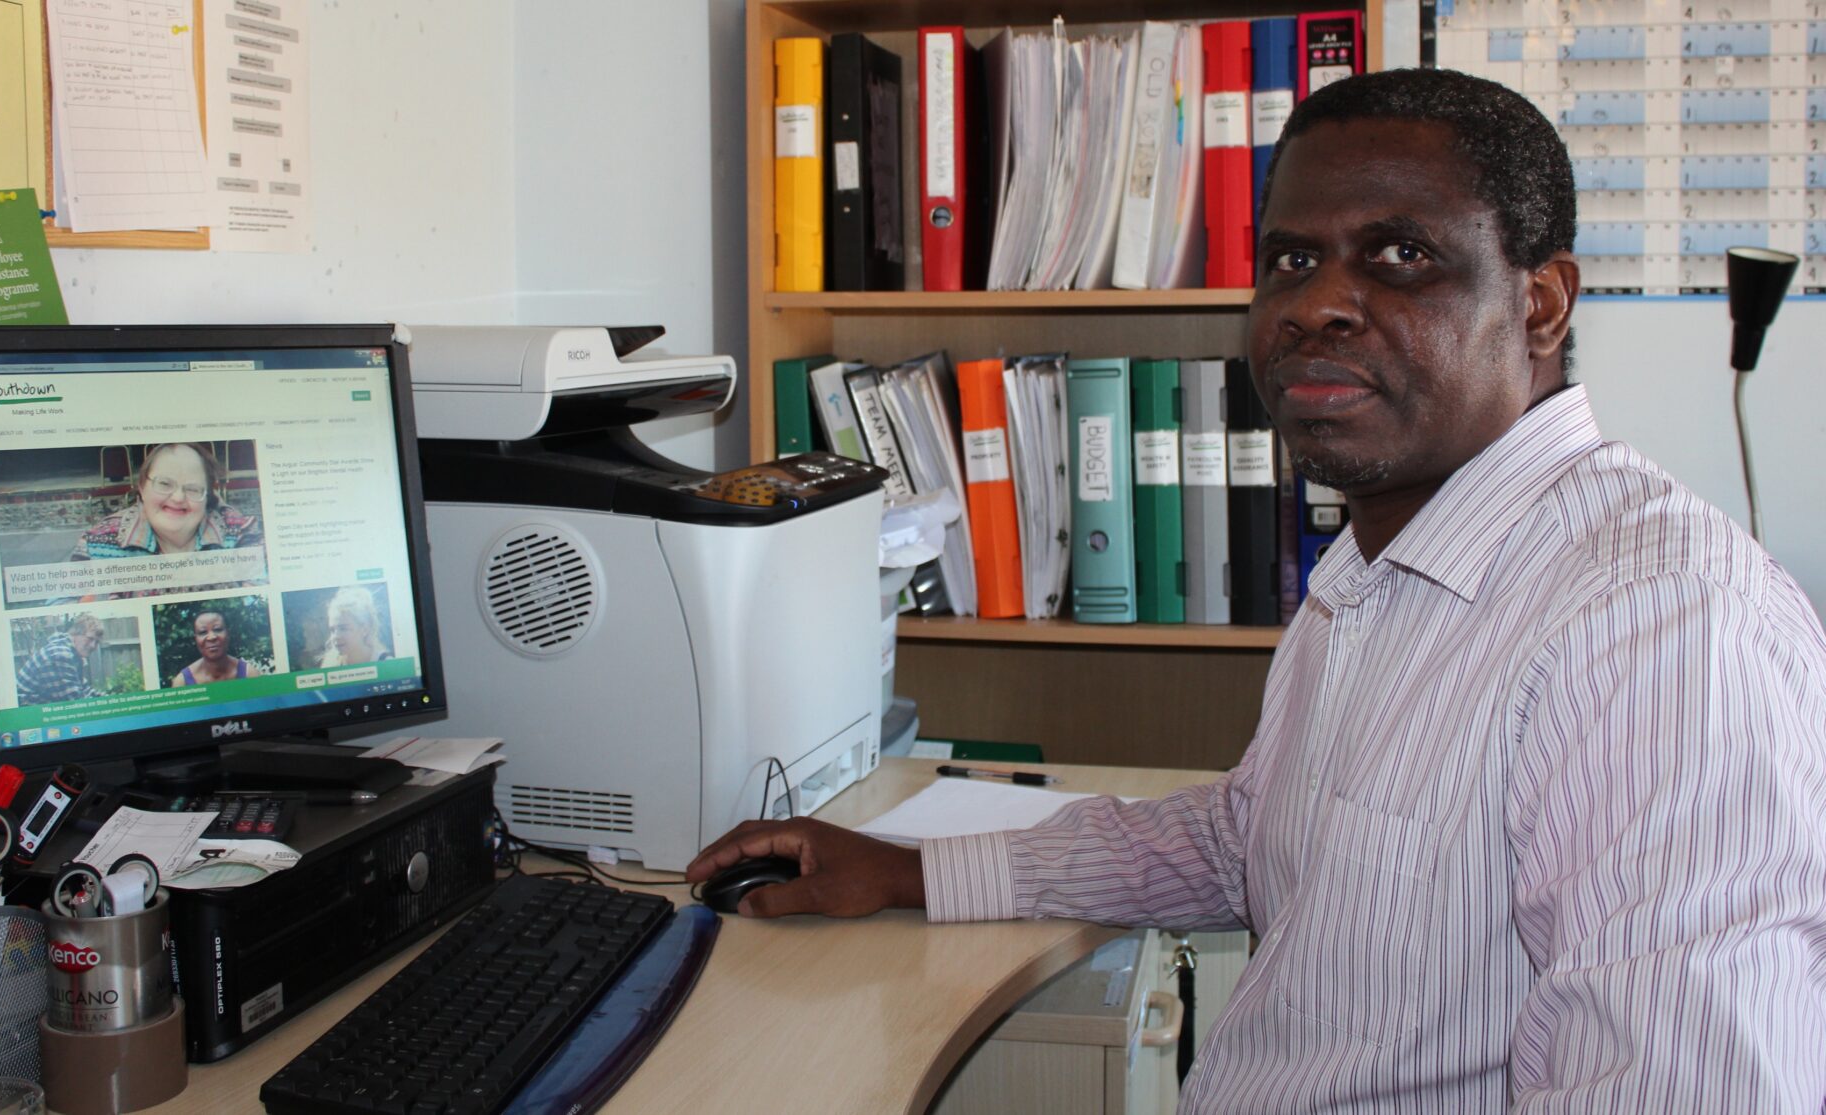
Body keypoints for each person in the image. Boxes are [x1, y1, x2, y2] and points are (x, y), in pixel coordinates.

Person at [688, 69, 1826, 1110]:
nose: (1316, 303)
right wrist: (907, 870)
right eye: (1290, 259)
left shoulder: (1659, 628)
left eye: (1400, 256)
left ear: (1540, 305)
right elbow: (1253, 838)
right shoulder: (1374, 567)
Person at [72, 442, 261, 560]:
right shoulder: (96, 544)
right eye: (164, 484)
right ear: (141, 487)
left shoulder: (241, 535)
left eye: (193, 488)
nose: (178, 498)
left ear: (208, 496)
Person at [14, 613, 105, 706]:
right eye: (90, 639)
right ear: (76, 634)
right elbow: (74, 703)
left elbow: (85, 690)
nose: (93, 645)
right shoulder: (60, 655)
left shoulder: (72, 655)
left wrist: (110, 699)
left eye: (97, 642)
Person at [170, 610, 263, 686]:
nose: (211, 637)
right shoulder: (182, 682)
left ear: (228, 634)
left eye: (217, 629)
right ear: (196, 639)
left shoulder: (249, 674)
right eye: (203, 632)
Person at [319, 586, 389, 667]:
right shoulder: (329, 664)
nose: (336, 636)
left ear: (364, 629)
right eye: (332, 630)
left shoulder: (387, 663)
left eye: (343, 628)